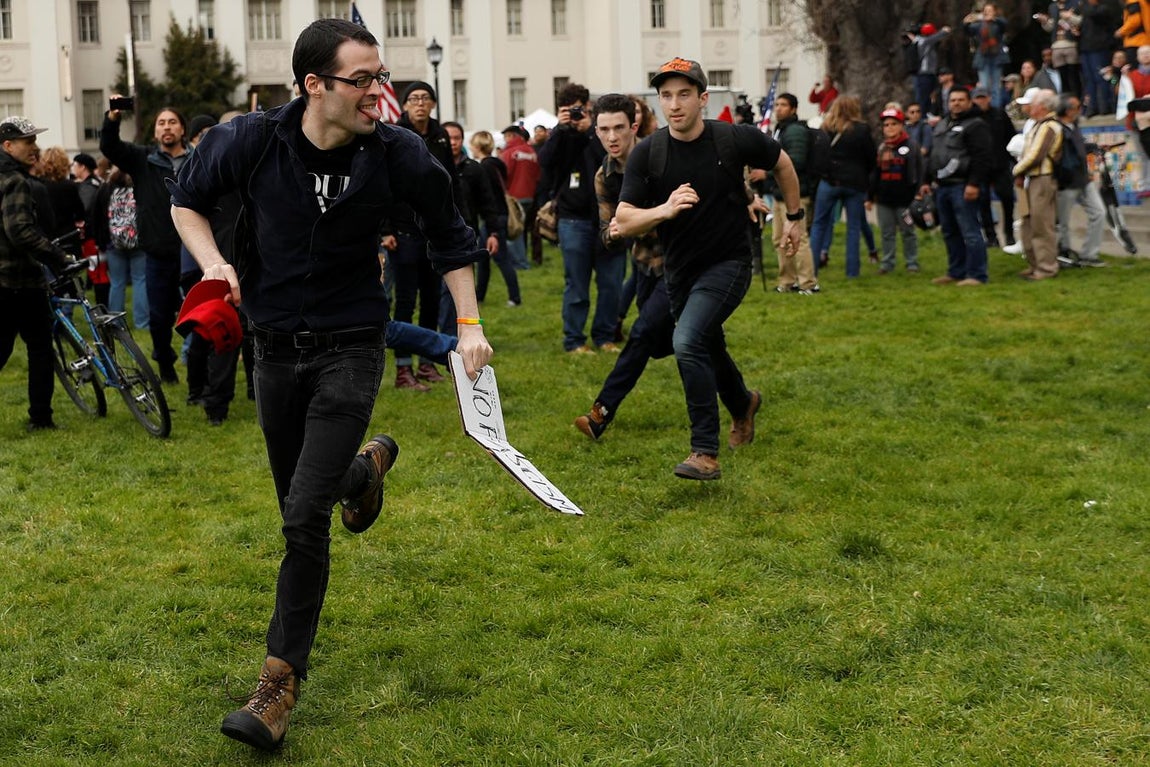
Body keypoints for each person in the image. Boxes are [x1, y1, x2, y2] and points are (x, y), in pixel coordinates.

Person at [169, 18, 492, 751]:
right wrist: (214, 261)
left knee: (300, 516)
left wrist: (467, 321)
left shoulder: (398, 153)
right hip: (273, 349)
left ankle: (276, 688)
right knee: (303, 497)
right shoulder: (250, 139)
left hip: (351, 344)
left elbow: (450, 234)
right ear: (314, 86)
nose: (381, 92)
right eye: (362, 80)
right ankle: (365, 469)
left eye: (382, 75)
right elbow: (184, 197)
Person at [615, 57, 803, 481]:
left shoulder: (733, 139)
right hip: (679, 271)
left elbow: (784, 164)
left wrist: (794, 216)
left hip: (729, 263)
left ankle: (704, 450)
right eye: (666, 96)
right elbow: (624, 220)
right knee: (707, 345)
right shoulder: (650, 152)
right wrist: (664, 209)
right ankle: (743, 403)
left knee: (686, 341)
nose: (675, 104)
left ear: (702, 98)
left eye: (684, 94)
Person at [573, 93, 675, 439]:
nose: (612, 137)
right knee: (669, 343)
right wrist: (617, 232)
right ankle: (742, 400)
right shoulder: (604, 174)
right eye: (604, 130)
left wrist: (637, 222)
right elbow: (606, 234)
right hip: (645, 264)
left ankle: (601, 411)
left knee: (644, 332)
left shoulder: (662, 158)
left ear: (633, 127)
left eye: (619, 128)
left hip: (680, 263)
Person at [100, 101, 189, 383]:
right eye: (161, 123)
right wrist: (113, 118)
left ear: (182, 129)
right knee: (159, 316)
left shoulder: (197, 159)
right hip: (158, 251)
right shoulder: (143, 160)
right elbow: (110, 147)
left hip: (193, 250)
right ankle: (165, 363)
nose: (167, 127)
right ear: (154, 133)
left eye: (172, 122)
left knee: (198, 312)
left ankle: (201, 365)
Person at [0, 117, 74, 431]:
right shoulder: (14, 180)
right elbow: (19, 231)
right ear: (7, 146)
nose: (34, 147)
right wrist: (57, 256)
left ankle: (41, 415)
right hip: (17, 280)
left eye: (34, 140)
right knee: (40, 347)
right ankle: (41, 417)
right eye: (27, 142)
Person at [538, 82, 624, 353]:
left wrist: (590, 131)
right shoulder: (560, 135)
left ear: (588, 108)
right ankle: (574, 340)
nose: (575, 115)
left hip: (609, 218)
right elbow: (545, 164)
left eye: (579, 109)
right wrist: (560, 131)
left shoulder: (599, 133)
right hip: (573, 219)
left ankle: (605, 336)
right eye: (568, 111)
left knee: (611, 282)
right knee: (576, 284)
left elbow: (611, 161)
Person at [392, 80, 455, 387]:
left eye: (425, 98)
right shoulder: (394, 135)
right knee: (405, 301)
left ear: (432, 104)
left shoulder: (440, 135)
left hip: (434, 232)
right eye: (414, 99)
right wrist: (384, 230)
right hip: (403, 232)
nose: (419, 103)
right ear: (405, 106)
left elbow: (449, 181)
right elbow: (383, 185)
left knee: (432, 299)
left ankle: (427, 363)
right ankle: (403, 369)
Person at [925, 86, 994, 286]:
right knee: (949, 230)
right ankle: (956, 271)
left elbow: (982, 158)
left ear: (969, 101)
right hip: (942, 185)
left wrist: (974, 184)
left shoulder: (976, 125)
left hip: (963, 185)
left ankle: (977, 274)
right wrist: (926, 181)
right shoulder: (942, 124)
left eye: (960, 100)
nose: (956, 103)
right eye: (953, 100)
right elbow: (933, 154)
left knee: (970, 231)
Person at [807, 95, 876, 278]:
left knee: (819, 225)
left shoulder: (825, 128)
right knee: (853, 227)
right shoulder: (861, 130)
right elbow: (871, 158)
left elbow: (818, 156)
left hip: (829, 180)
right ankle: (852, 272)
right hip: (854, 182)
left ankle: (811, 270)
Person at [762, 92, 818, 293]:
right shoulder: (781, 129)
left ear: (793, 109)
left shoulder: (794, 131)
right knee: (779, 239)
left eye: (783, 105)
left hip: (796, 194)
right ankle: (787, 281)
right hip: (779, 194)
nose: (778, 108)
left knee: (799, 238)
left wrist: (766, 171)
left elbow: (795, 162)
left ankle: (808, 283)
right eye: (777, 104)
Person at [1012, 88, 1063, 280]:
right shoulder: (1038, 125)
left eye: (1033, 103)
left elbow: (1037, 155)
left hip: (1042, 179)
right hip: (1031, 178)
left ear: (1041, 106)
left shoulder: (1049, 126)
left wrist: (1017, 170)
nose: (1030, 107)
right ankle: (1035, 264)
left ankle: (1047, 267)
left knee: (1042, 224)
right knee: (1028, 222)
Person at [470, 130, 522, 307]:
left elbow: (486, 194)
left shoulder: (484, 167)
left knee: (501, 258)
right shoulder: (497, 163)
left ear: (478, 146)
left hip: (494, 216)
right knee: (483, 257)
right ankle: (479, 295)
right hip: (498, 214)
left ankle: (515, 297)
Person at [91, 167, 149, 329]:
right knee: (140, 280)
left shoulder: (106, 188)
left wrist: (100, 242)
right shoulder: (139, 185)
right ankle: (142, 323)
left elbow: (96, 215)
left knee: (117, 283)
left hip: (113, 242)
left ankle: (115, 322)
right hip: (138, 241)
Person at [1054, 94, 1107, 266]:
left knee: (1099, 212)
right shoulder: (1055, 128)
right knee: (1062, 221)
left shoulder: (1074, 126)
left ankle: (1089, 255)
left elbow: (1078, 149)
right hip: (1066, 182)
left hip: (1083, 178)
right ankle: (1064, 253)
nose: (1080, 110)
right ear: (1067, 110)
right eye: (1077, 107)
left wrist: (1093, 148)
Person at [869, 107, 923, 274]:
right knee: (887, 232)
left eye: (894, 124)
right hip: (884, 198)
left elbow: (919, 170)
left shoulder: (911, 146)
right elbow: (875, 173)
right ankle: (887, 263)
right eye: (886, 125)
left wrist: (918, 192)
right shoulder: (881, 148)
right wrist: (870, 196)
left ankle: (912, 262)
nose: (890, 128)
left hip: (905, 198)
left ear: (901, 125)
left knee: (908, 231)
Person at [972, 86, 1019, 247]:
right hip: (980, 167)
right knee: (983, 202)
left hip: (1000, 164)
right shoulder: (971, 118)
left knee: (1007, 198)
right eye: (977, 98)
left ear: (989, 98)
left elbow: (1011, 137)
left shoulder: (999, 114)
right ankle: (991, 237)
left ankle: (1009, 233)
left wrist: (1016, 164)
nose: (981, 101)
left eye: (983, 97)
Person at [500, 124, 540, 271]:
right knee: (523, 230)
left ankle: (520, 263)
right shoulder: (532, 151)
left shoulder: (509, 152)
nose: (505, 139)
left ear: (512, 136)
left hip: (513, 197)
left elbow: (504, 175)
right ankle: (523, 260)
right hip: (530, 196)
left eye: (506, 136)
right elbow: (537, 174)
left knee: (513, 231)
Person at [1079, 0, 1121, 115]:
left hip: (1100, 47)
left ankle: (1105, 106)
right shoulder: (1085, 6)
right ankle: (1092, 107)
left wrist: (1087, 5)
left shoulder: (1106, 5)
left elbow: (1096, 15)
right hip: (1085, 47)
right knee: (1089, 79)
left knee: (1103, 77)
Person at [965, 4, 1010, 107]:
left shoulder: (998, 23)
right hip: (983, 57)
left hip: (996, 57)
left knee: (995, 86)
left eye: (990, 10)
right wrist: (966, 23)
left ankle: (996, 109)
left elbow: (1004, 25)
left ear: (994, 11)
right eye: (986, 10)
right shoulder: (979, 24)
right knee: (984, 86)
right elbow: (969, 31)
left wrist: (994, 19)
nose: (988, 12)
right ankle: (984, 108)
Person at [1038, 1, 1084, 97]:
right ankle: (1065, 101)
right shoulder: (1052, 7)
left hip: (1070, 43)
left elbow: (1081, 21)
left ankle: (1077, 98)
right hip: (1056, 45)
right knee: (1062, 76)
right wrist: (1044, 21)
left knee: (1074, 74)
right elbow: (1051, 26)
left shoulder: (1075, 3)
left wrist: (1070, 17)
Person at [913, 23, 952, 112]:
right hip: (924, 73)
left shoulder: (922, 41)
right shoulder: (924, 41)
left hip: (930, 73)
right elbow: (937, 37)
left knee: (932, 95)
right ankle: (923, 115)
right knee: (924, 97)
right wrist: (944, 31)